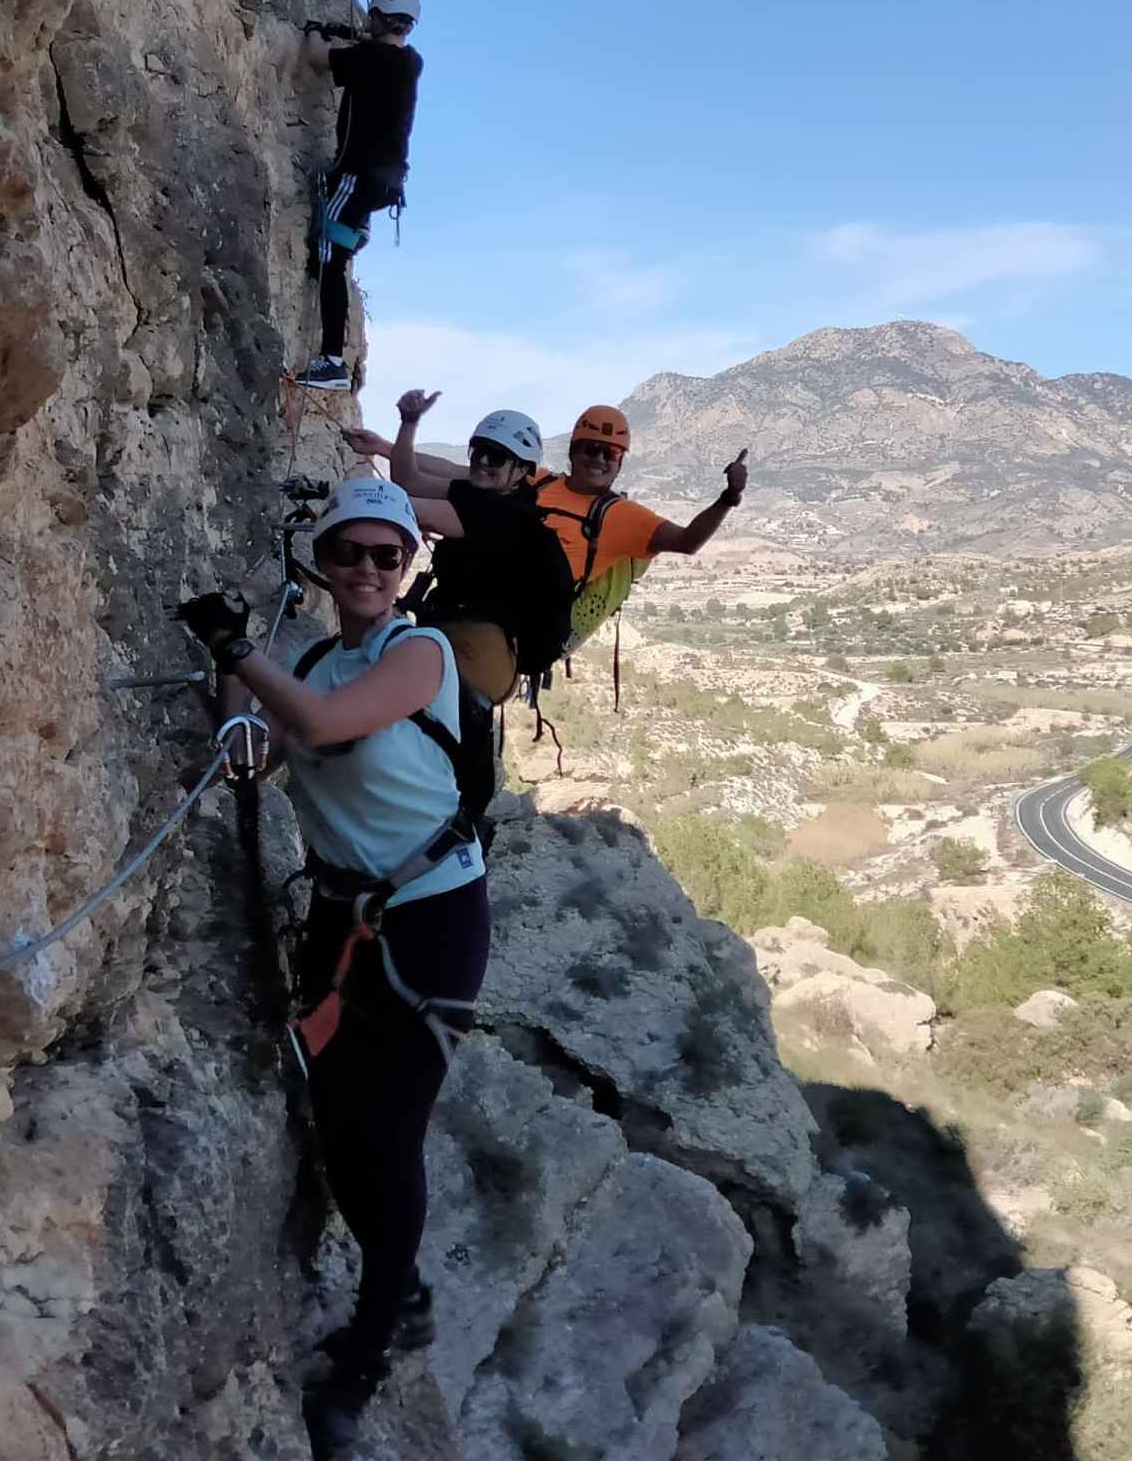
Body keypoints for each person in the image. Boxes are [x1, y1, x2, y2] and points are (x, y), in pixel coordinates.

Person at [177, 477, 484, 1458]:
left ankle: (366, 1354)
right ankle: (403, 1280)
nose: (365, 568)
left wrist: (236, 652)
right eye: (348, 552)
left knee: (387, 1134)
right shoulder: (312, 657)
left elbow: (318, 726)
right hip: (341, 912)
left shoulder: (420, 651)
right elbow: (264, 744)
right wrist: (234, 690)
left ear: (407, 566)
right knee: (340, 1123)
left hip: (433, 917)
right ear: (323, 560)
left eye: (385, 555)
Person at [348, 402, 751, 655]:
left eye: (609, 452)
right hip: (473, 595)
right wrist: (384, 445)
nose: (598, 458)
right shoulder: (535, 481)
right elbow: (459, 474)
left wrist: (727, 499)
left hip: (518, 621)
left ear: (621, 462)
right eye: (589, 447)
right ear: (573, 451)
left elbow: (687, 541)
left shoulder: (622, 516)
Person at [343, 392, 573, 828]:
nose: (483, 462)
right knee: (448, 735)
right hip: (476, 645)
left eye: (497, 457)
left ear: (521, 472)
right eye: (478, 451)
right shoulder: (488, 499)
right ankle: (457, 811)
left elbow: (408, 504)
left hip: (475, 646)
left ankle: (443, 816)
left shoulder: (494, 514)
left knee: (428, 728)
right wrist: (408, 423)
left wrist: (344, 502)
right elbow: (409, 477)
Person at [294, 0, 422, 392]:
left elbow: (317, 61)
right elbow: (377, 45)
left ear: (379, 16)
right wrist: (355, 35)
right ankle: (355, 232)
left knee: (329, 256)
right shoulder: (409, 60)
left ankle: (331, 359)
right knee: (339, 251)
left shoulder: (372, 57)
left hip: (357, 175)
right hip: (384, 182)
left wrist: (314, 29)